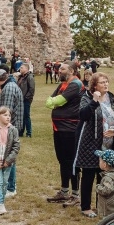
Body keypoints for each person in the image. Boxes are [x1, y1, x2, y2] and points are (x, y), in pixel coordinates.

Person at [74, 72, 114, 218]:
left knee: (105, 174)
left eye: (107, 81)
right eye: (102, 82)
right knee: (89, 173)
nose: (105, 84)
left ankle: (101, 206)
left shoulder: (111, 97)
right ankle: (85, 206)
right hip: (91, 142)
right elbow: (82, 115)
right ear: (94, 85)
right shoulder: (86, 97)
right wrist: (94, 101)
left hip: (108, 141)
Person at [46, 62, 84, 204]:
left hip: (70, 129)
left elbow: (59, 100)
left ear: (72, 71)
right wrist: (55, 102)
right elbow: (49, 101)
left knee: (71, 161)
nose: (59, 70)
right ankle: (64, 191)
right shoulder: (62, 85)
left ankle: (75, 194)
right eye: (59, 68)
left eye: (62, 69)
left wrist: (56, 102)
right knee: (62, 160)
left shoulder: (75, 84)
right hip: (59, 127)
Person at [0, 69, 24, 195]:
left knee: (8, 158)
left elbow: (5, 112)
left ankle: (10, 187)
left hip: (8, 129)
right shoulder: (9, 86)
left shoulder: (9, 88)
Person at [18, 62, 36, 137]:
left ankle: (29, 132)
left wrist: (26, 98)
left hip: (25, 99)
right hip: (20, 99)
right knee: (22, 115)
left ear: (26, 69)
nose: (20, 69)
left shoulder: (29, 77)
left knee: (26, 115)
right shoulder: (21, 77)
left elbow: (32, 89)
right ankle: (21, 131)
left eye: (22, 67)